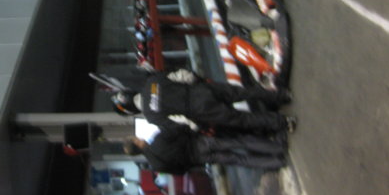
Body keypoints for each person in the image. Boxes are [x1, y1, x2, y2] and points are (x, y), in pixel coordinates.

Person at [112, 69, 295, 135]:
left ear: (131, 111)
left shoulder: (152, 116)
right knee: (243, 92)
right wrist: (199, 82)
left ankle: (284, 122)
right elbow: (184, 75)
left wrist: (197, 127)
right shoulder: (151, 82)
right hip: (201, 90)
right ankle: (282, 95)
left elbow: (182, 124)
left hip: (200, 110)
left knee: (242, 119)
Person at [123, 122, 288, 175]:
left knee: (239, 160)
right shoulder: (158, 139)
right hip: (200, 143)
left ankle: (276, 162)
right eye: (136, 139)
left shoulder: (156, 165)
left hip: (199, 159)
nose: (139, 138)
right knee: (239, 142)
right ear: (137, 144)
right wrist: (191, 133)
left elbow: (180, 172)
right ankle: (277, 148)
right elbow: (180, 129)